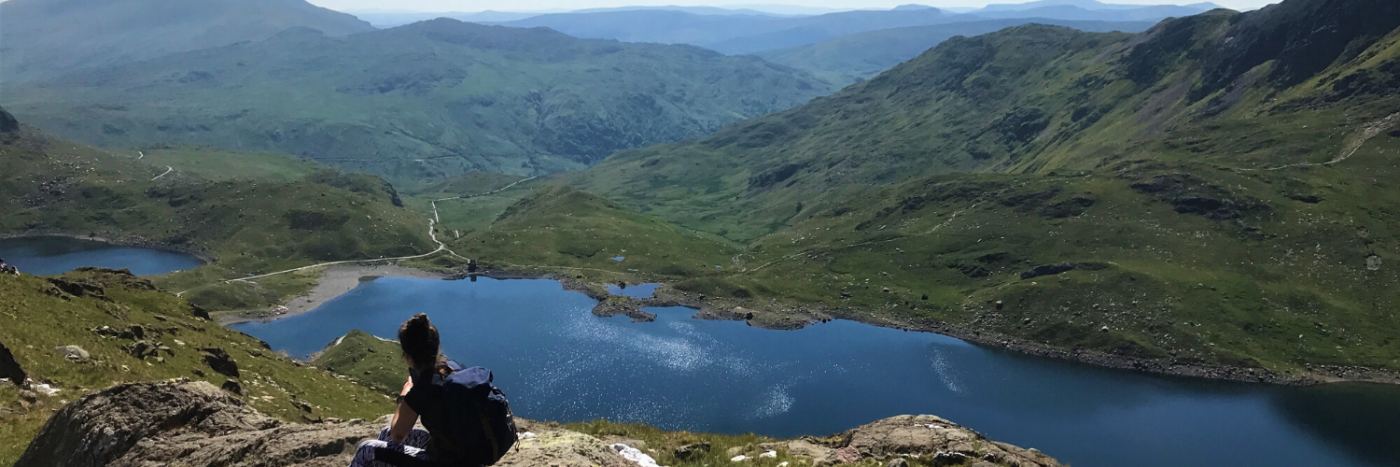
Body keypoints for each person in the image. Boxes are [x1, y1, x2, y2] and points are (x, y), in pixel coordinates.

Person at [349, 314, 446, 467]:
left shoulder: (423, 387)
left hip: (447, 462)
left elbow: (398, 436)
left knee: (366, 449)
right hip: (464, 456)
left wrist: (405, 395)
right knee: (385, 433)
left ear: (408, 356)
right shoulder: (449, 371)